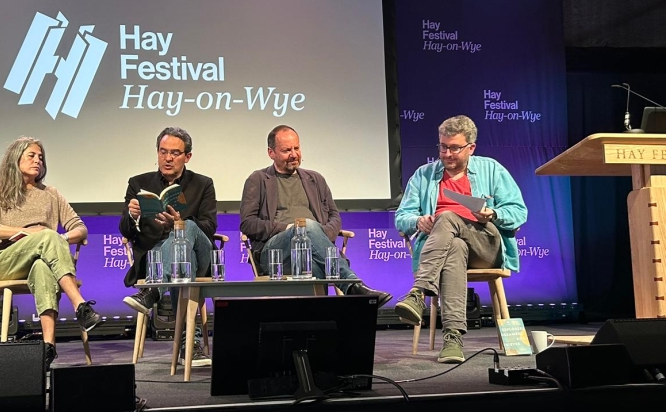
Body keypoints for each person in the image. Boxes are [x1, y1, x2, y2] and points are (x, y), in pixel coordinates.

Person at [393, 115, 527, 364]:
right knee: (454, 246)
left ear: (471, 148)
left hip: (485, 245)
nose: (447, 154)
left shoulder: (491, 169)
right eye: (443, 146)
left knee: (446, 217)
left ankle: (418, 293)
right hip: (448, 248)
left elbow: (519, 212)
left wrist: (493, 213)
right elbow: (401, 217)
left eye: (454, 148)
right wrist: (417, 221)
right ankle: (453, 339)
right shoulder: (424, 175)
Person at [0, 136, 102, 367]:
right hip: (6, 261)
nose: (37, 161)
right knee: (46, 237)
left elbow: (80, 228)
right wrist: (24, 232)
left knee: (43, 267)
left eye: (40, 157)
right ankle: (80, 305)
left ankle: (48, 346)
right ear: (15, 158)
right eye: (31, 156)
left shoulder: (50, 193)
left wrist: (58, 239)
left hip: (42, 257)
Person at [239, 125, 392, 305]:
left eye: (296, 148)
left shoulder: (315, 179)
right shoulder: (258, 179)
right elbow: (248, 223)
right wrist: (290, 229)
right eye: (287, 150)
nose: (294, 154)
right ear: (271, 153)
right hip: (277, 253)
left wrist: (317, 235)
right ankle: (351, 284)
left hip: (313, 251)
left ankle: (317, 326)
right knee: (306, 227)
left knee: (311, 253)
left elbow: (335, 217)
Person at [119, 127, 217, 367]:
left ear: (188, 156)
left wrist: (178, 224)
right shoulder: (138, 183)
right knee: (181, 259)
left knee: (188, 228)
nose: (168, 158)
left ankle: (153, 291)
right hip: (158, 258)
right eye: (163, 152)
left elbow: (209, 226)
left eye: (175, 152)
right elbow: (125, 230)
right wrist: (132, 216)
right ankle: (189, 345)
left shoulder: (203, 184)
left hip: (200, 254)